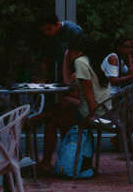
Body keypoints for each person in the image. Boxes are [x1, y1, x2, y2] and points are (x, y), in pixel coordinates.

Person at [39, 33, 110, 173]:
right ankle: (69, 161)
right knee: (60, 111)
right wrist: (67, 59)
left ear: (75, 50)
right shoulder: (90, 61)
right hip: (104, 109)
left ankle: (50, 162)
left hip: (95, 111)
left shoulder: (80, 62)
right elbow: (69, 83)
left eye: (69, 50)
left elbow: (89, 92)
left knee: (52, 120)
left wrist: (92, 115)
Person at [39, 13, 83, 86]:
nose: (47, 32)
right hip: (61, 72)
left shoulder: (73, 31)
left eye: (49, 29)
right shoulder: (50, 37)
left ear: (56, 24)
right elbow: (47, 57)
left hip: (74, 72)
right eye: (44, 31)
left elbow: (77, 55)